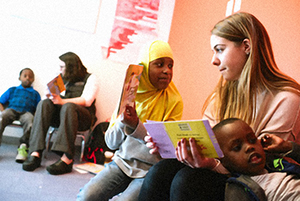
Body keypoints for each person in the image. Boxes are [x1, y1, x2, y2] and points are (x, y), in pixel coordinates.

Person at [139, 12, 300, 201]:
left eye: (220, 49)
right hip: (223, 170)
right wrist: (174, 148)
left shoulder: (287, 99)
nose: (214, 60)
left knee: (188, 180)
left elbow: (262, 166)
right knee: (162, 170)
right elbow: (210, 146)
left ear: (246, 46)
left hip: (257, 183)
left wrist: (211, 164)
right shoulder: (221, 96)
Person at [76, 40, 183, 201]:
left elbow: (164, 148)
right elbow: (111, 143)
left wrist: (135, 126)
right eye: (159, 64)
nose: (167, 71)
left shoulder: (174, 101)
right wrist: (122, 122)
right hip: (121, 163)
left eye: (170, 65)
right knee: (86, 196)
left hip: (150, 171)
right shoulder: (130, 95)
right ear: (145, 68)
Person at [22, 52, 98, 175]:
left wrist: (62, 101)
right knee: (44, 103)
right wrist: (50, 96)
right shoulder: (61, 78)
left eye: (62, 67)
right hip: (64, 115)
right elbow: (47, 96)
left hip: (82, 117)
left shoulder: (91, 78)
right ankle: (35, 153)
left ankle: (67, 159)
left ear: (71, 67)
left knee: (68, 106)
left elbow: (87, 100)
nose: (60, 69)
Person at [213, 118, 300, 200]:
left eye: (252, 140)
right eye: (237, 147)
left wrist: (287, 147)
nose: (249, 147)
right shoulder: (238, 188)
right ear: (223, 160)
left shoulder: (276, 164)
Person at [0, 68, 41, 163]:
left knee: (30, 122)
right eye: (25, 76)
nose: (27, 78)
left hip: (27, 113)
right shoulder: (12, 90)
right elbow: (0, 102)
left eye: (30, 77)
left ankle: (23, 147)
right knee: (2, 118)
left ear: (33, 80)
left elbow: (39, 108)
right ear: (19, 78)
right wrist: (3, 111)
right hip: (12, 110)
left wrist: (34, 116)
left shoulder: (35, 94)